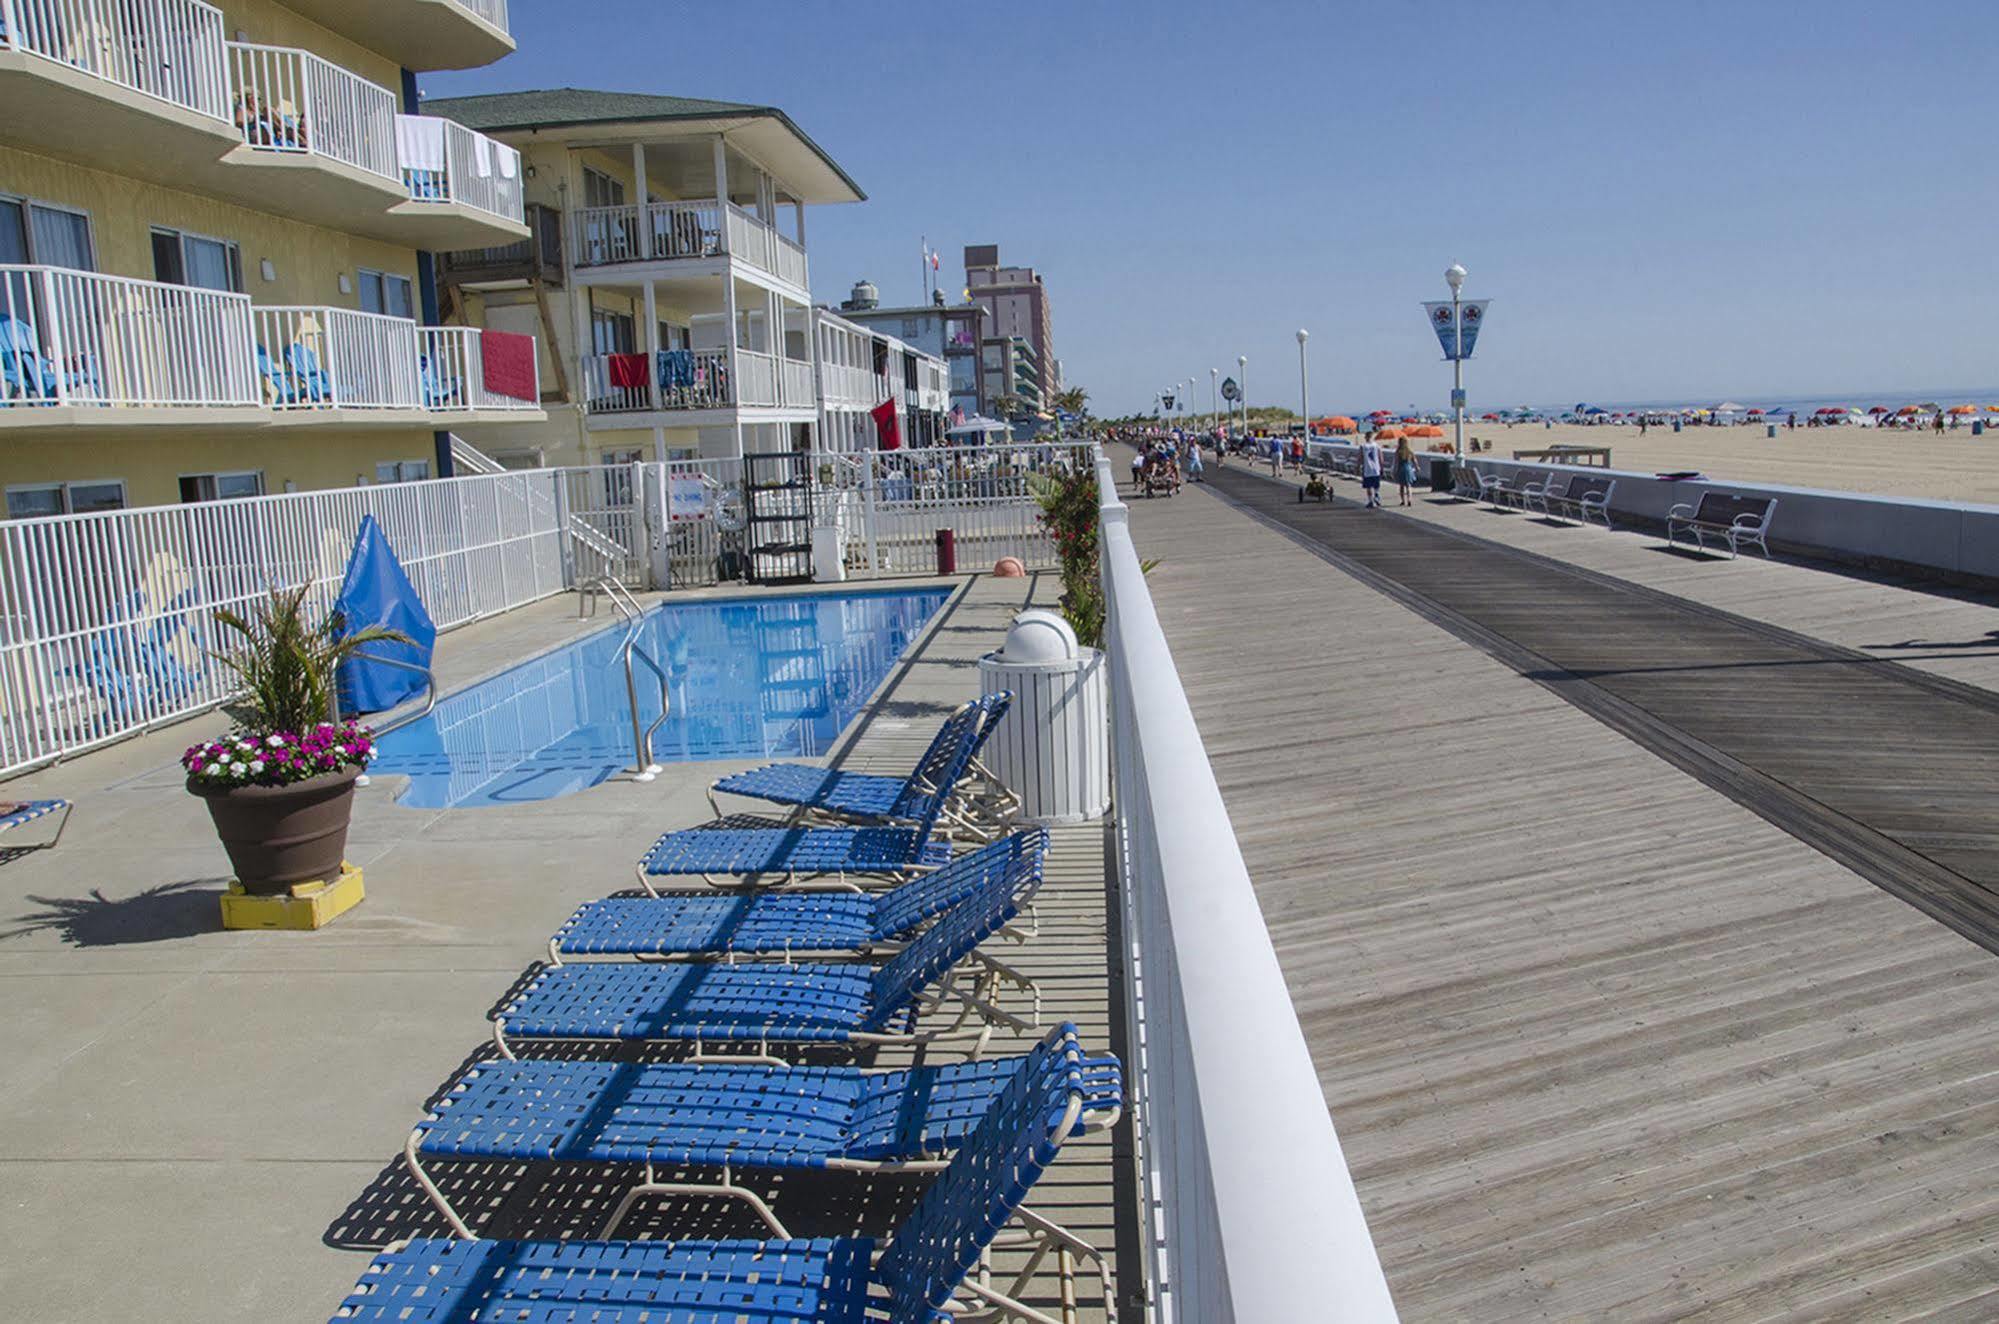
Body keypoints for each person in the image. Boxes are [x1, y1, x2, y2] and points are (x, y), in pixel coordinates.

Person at [1359, 433, 1384, 508]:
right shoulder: (1377, 446)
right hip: (1376, 469)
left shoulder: (1363, 446)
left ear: (1366, 437)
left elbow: (1360, 458)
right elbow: (1381, 458)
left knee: (1368, 486)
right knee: (1376, 485)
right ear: (1372, 437)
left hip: (1367, 469)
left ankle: (1371, 501)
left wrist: (1357, 466)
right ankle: (1376, 495)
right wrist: (1382, 467)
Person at [1394, 436, 1417, 507]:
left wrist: (1395, 470)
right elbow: (1414, 460)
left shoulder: (1398, 451)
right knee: (1408, 486)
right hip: (1408, 468)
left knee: (1401, 486)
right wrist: (1417, 467)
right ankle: (1409, 499)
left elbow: (1396, 462)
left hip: (1401, 468)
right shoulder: (1410, 450)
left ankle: (1403, 501)